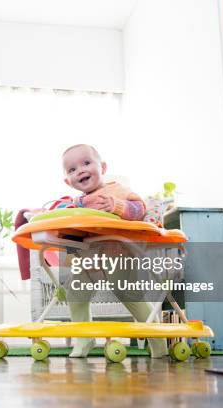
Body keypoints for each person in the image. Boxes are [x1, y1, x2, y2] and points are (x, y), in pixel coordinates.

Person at [60, 144, 168, 358]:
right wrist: (71, 254)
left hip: (118, 255)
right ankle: (84, 339)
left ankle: (158, 343)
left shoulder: (115, 189)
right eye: (72, 170)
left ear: (103, 167)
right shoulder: (75, 204)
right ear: (68, 182)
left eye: (86, 163)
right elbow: (70, 230)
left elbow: (140, 210)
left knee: (130, 295)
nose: (80, 170)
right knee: (75, 294)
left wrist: (118, 206)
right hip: (88, 260)